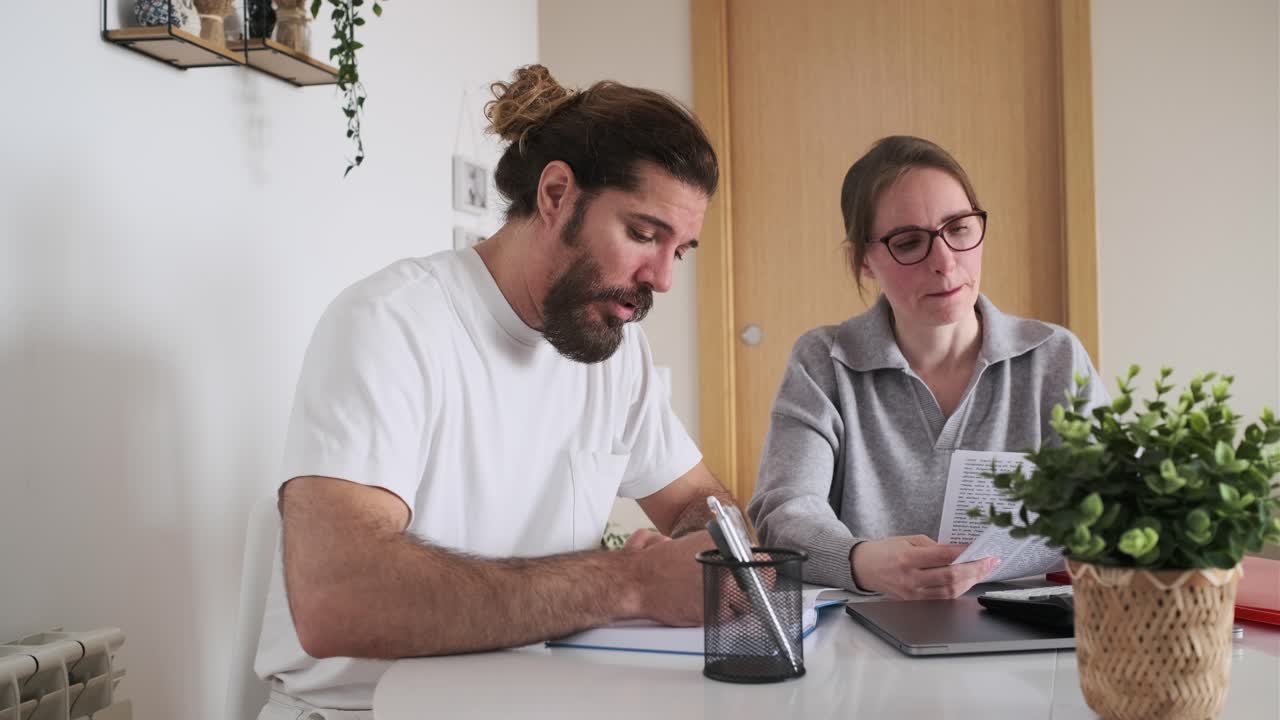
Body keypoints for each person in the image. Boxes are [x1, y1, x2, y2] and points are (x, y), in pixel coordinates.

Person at [254, 65, 736, 717]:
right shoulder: (393, 323)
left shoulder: (617, 353)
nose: (663, 278)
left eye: (679, 250)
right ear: (556, 194)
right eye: (644, 234)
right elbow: (337, 599)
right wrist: (633, 582)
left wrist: (722, 547)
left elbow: (696, 497)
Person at [747, 135, 1106, 601]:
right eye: (909, 242)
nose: (945, 262)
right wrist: (861, 561)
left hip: (1030, 629)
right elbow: (784, 513)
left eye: (959, 229)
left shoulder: (1054, 357)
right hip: (868, 626)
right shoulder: (823, 362)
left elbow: (1109, 505)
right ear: (864, 261)